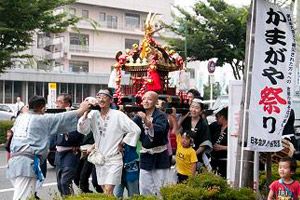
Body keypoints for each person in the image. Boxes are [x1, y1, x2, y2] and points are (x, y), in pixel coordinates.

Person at [6, 95, 90, 200]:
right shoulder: (41, 119)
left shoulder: (21, 118)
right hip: (26, 164)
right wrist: (81, 110)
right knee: (22, 197)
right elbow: (60, 118)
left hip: (14, 162)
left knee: (28, 196)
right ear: (42, 108)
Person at [77, 89, 141, 195]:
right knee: (106, 191)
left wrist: (122, 142)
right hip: (100, 159)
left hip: (114, 159)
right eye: (99, 97)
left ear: (110, 100)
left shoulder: (118, 115)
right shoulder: (93, 114)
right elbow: (83, 130)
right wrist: (85, 114)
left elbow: (135, 130)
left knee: (108, 190)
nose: (101, 99)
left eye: (104, 97)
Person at [133, 91, 170, 197]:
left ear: (155, 101)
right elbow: (131, 128)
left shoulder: (161, 116)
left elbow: (159, 130)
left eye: (149, 99)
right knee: (144, 187)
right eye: (144, 99)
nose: (145, 101)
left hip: (160, 155)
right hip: (146, 155)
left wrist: (146, 120)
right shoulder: (139, 116)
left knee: (161, 187)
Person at [54, 94, 84, 197]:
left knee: (65, 181)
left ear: (67, 104)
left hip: (71, 152)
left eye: (60, 102)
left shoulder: (75, 116)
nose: (57, 105)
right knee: (59, 183)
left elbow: (77, 135)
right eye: (56, 102)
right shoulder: (56, 116)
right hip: (58, 152)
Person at [179, 98, 212, 171]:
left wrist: (193, 154)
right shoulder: (186, 121)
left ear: (201, 111)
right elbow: (176, 131)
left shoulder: (203, 124)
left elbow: (205, 143)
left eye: (197, 108)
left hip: (197, 157)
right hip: (183, 157)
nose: (193, 110)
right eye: (192, 107)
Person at [210, 107, 228, 178]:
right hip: (214, 160)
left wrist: (224, 148)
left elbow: (237, 145)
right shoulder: (215, 126)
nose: (216, 119)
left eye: (217, 117)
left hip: (226, 161)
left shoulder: (232, 127)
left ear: (222, 117)